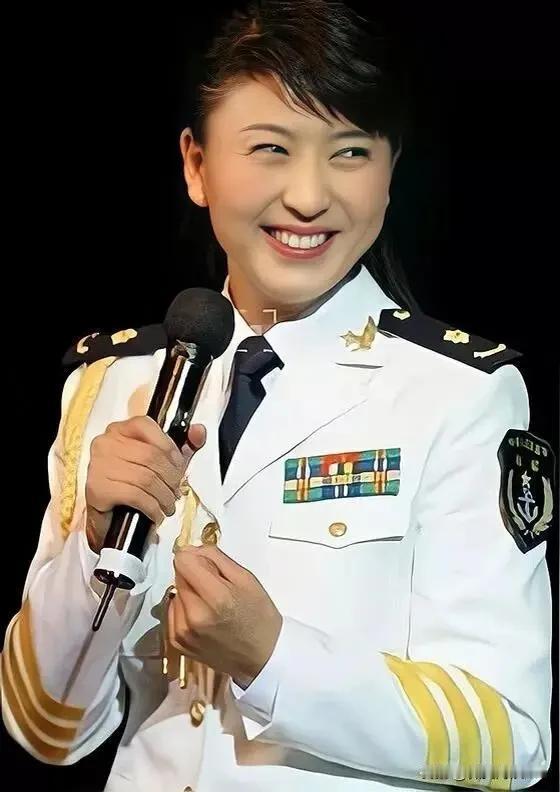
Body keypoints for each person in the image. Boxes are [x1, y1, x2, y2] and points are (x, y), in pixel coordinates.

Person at [1, 2, 554, 790]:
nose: (308, 196)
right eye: (270, 148)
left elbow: (511, 733)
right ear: (197, 165)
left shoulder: (458, 394)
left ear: (391, 171)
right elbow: (45, 728)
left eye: (350, 152)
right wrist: (94, 546)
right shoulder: (114, 384)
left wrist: (272, 657)